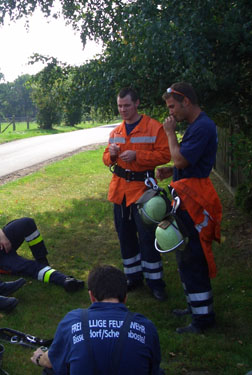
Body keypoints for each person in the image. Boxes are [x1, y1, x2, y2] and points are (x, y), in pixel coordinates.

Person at [157, 82, 222, 334]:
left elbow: (182, 158)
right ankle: (194, 306)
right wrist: (171, 171)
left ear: (186, 101)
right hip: (187, 195)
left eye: (172, 107)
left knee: (193, 256)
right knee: (185, 254)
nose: (171, 113)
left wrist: (170, 134)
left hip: (194, 200)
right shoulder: (197, 126)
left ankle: (203, 319)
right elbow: (183, 162)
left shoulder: (202, 126)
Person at [103, 87, 171, 301]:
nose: (123, 110)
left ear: (137, 103)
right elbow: (106, 158)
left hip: (143, 192)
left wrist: (139, 156)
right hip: (120, 192)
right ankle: (132, 277)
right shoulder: (116, 132)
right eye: (120, 106)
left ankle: (154, 281)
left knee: (148, 237)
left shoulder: (153, 127)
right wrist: (111, 156)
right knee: (125, 236)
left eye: (127, 105)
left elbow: (166, 153)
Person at [30, 265, 162, 374]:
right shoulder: (146, 326)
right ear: (125, 297)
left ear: (91, 296)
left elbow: (51, 361)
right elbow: (153, 368)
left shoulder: (72, 321)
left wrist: (39, 357)